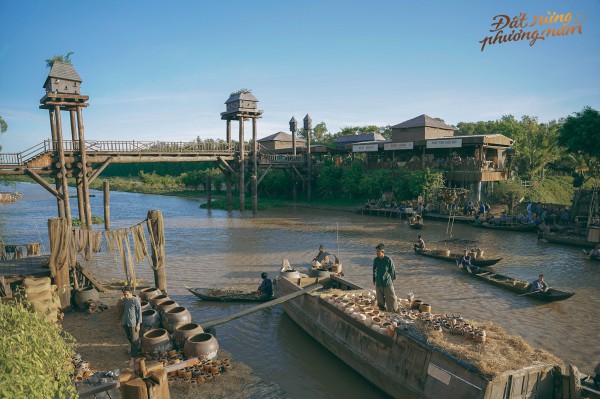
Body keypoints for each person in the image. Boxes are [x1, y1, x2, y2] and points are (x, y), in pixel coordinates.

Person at [372, 243, 398, 312]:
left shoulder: (388, 259)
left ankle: (393, 310)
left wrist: (393, 279)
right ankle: (382, 309)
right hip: (378, 281)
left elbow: (392, 270)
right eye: (376, 251)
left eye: (378, 252)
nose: (377, 253)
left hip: (387, 281)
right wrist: (374, 279)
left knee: (390, 296)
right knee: (379, 298)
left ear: (382, 252)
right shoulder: (376, 260)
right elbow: (374, 270)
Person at [117, 287, 142, 357]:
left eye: (127, 294)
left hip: (133, 323)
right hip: (125, 322)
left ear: (130, 293)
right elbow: (122, 311)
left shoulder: (135, 301)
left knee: (135, 339)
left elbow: (139, 313)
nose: (125, 296)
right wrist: (120, 321)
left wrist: (138, 324)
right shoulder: (124, 300)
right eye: (124, 294)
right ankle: (137, 349)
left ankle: (134, 356)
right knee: (129, 337)